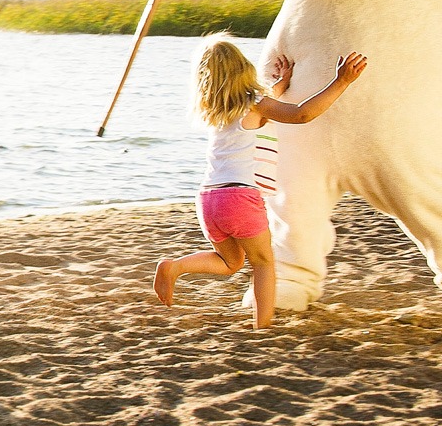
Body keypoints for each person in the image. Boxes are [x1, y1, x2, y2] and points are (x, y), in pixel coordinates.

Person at [153, 36, 367, 329]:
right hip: (239, 198)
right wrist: (342, 81)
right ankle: (262, 326)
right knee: (264, 263)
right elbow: (301, 114)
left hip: (208, 199)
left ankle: (175, 266)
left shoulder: (217, 112)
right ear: (244, 69)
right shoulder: (254, 104)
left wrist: (280, 83)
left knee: (231, 263)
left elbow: (266, 104)